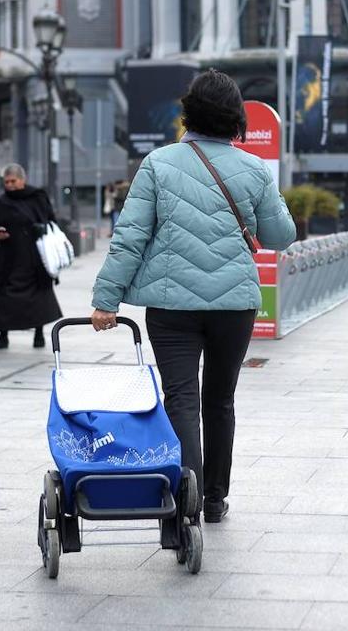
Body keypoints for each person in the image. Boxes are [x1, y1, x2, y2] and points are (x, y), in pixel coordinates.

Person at [90, 69, 296, 524]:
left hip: (171, 307)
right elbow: (282, 235)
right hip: (234, 306)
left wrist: (107, 300)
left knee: (181, 399)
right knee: (220, 401)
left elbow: (130, 237)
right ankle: (217, 499)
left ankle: (188, 496)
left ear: (189, 113)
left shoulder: (158, 164)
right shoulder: (254, 169)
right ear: (235, 118)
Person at [0, 164, 62, 350]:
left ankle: (39, 334)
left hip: (36, 257)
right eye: (6, 182)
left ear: (22, 180)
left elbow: (51, 221)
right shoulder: (2, 202)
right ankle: (3, 336)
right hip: (9, 258)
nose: (10, 185)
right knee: (5, 296)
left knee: (38, 297)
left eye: (13, 181)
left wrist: (41, 228)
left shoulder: (38, 197)